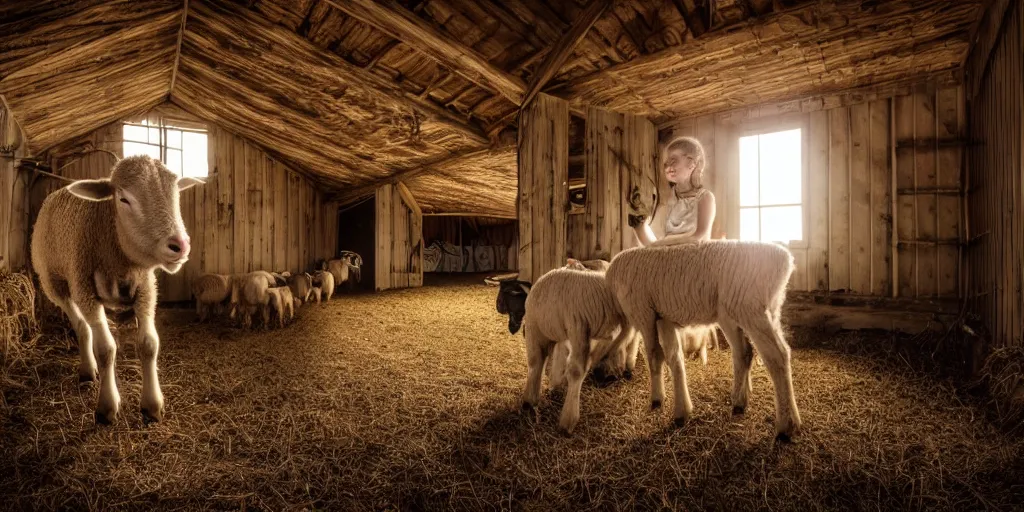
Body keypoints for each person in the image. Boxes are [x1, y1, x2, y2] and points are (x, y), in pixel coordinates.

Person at [629, 136, 716, 247]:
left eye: (673, 161)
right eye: (666, 163)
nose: (668, 167)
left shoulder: (705, 197)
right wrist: (640, 227)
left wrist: (663, 243)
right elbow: (653, 244)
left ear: (692, 164)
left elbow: (697, 236)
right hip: (670, 256)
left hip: (695, 256)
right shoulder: (668, 199)